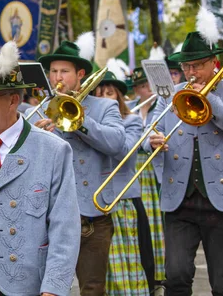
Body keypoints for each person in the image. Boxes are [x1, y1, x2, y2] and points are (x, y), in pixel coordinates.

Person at [0, 41, 80, 296]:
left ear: (13, 100)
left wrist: (53, 289)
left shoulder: (53, 150)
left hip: (24, 287)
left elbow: (65, 228)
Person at [27, 40, 125, 296]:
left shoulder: (105, 107)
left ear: (80, 74)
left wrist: (77, 119)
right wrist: (33, 137)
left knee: (92, 289)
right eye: (54, 71)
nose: (57, 77)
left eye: (64, 72)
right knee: (42, 288)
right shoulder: (36, 109)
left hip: (90, 216)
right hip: (46, 215)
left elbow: (116, 144)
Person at [145, 31, 223, 294]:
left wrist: (211, 101)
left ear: (213, 64)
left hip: (221, 198)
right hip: (179, 198)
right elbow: (149, 128)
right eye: (186, 66)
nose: (190, 72)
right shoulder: (170, 94)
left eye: (197, 65)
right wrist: (151, 139)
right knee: (176, 275)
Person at [95, 72, 156, 294]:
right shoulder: (87, 124)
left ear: (119, 97)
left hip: (124, 202)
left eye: (109, 93)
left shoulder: (130, 121)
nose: (104, 98)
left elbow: (125, 153)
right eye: (98, 94)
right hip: (95, 204)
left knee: (129, 266)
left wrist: (97, 128)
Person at [130, 67, 167, 290]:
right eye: (137, 86)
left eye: (144, 85)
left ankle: (160, 271)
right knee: (143, 224)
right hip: (136, 169)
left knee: (155, 223)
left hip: (152, 170)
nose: (141, 90)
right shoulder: (132, 108)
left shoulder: (160, 105)